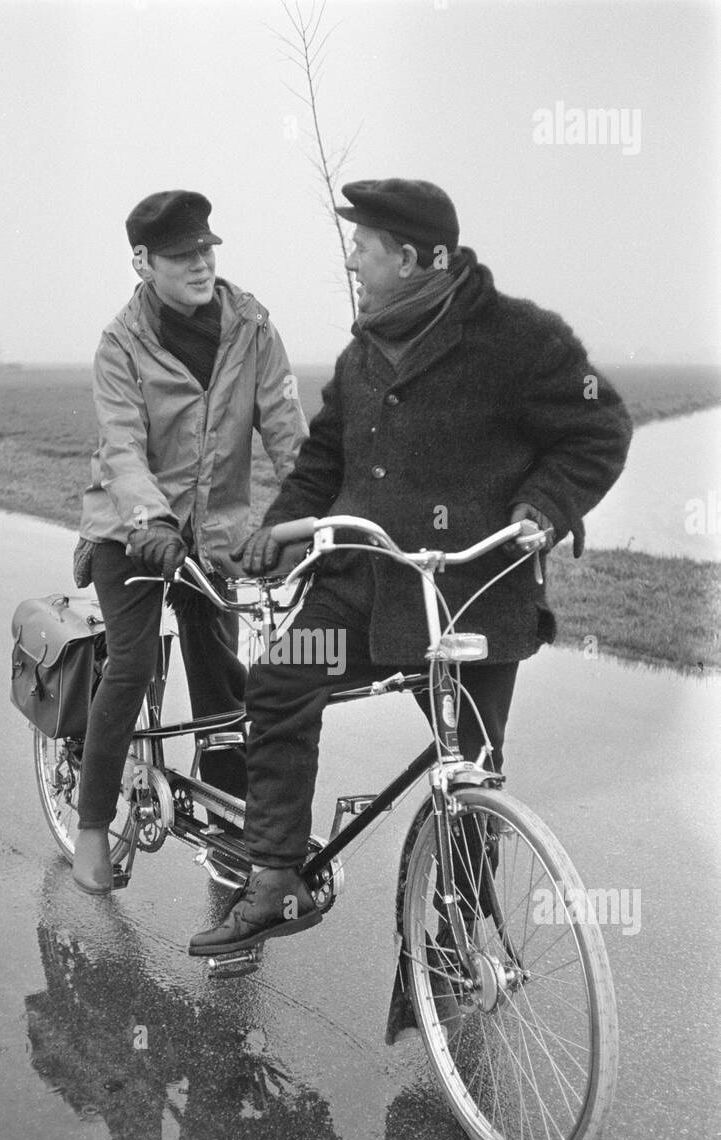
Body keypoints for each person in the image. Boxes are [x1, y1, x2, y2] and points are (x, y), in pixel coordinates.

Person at [190, 177, 632, 955]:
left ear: (417, 256)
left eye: (365, 245)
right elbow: (324, 458)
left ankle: (455, 936)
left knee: (471, 770)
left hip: (474, 598)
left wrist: (544, 507)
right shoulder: (367, 347)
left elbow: (598, 427)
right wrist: (281, 533)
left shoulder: (520, 339)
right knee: (280, 678)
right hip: (359, 590)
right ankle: (275, 877)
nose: (354, 257)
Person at [71, 190, 307, 893]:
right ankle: (91, 825)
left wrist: (316, 516)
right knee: (133, 662)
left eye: (207, 249)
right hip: (131, 531)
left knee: (221, 674)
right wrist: (152, 522)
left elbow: (289, 434)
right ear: (143, 262)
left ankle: (227, 815)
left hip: (214, 535)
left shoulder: (252, 328)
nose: (201, 264)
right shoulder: (120, 344)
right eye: (182, 255)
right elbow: (121, 448)